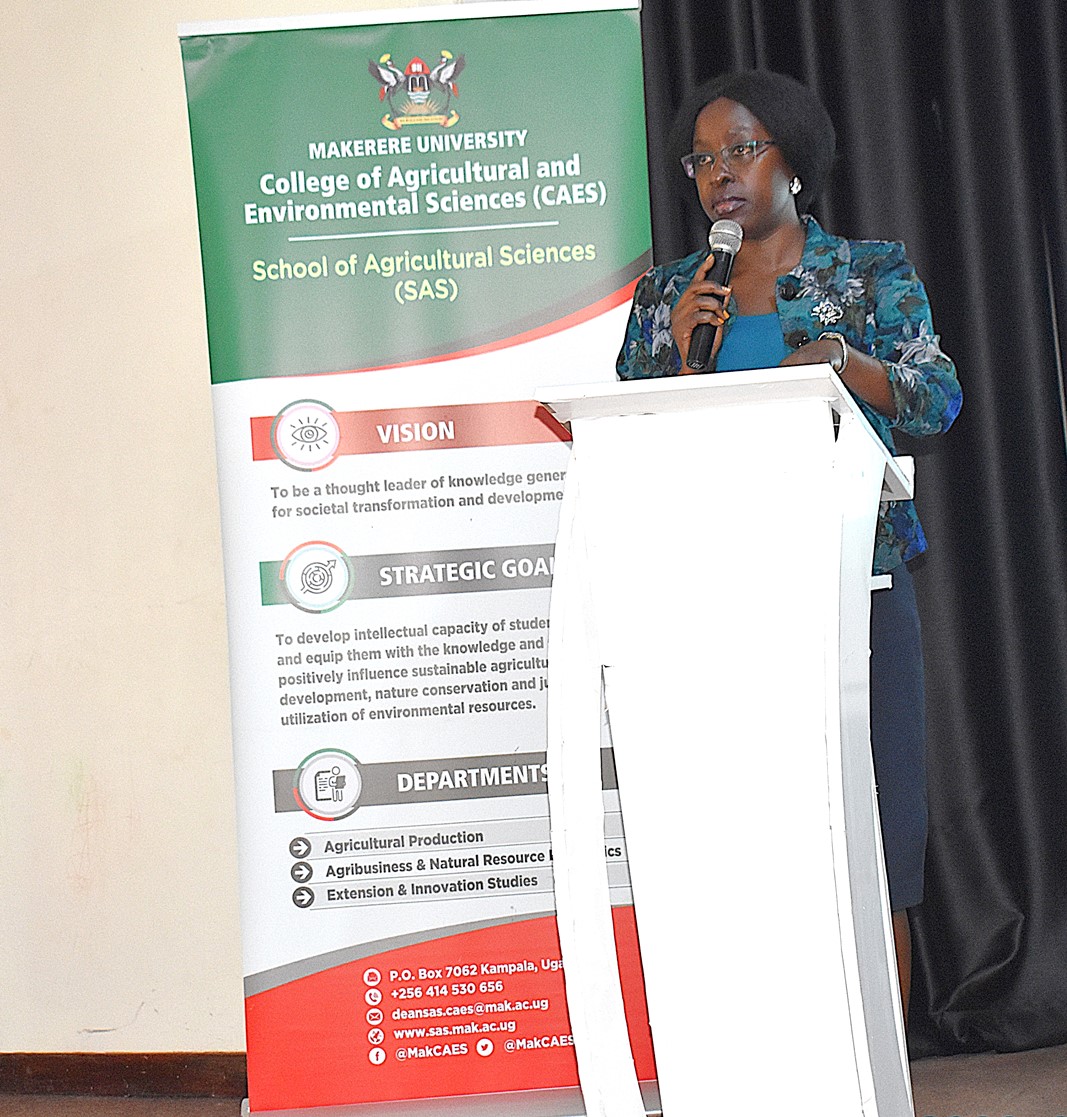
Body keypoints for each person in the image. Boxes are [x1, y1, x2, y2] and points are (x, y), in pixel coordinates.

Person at [616, 69, 962, 1019]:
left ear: (794, 161)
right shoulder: (666, 296)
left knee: (875, 831)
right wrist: (664, 355)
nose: (720, 172)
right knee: (748, 835)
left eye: (743, 148)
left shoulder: (869, 272)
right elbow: (626, 430)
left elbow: (936, 396)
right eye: (703, 157)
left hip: (854, 581)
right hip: (719, 592)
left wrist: (850, 364)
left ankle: (879, 1063)